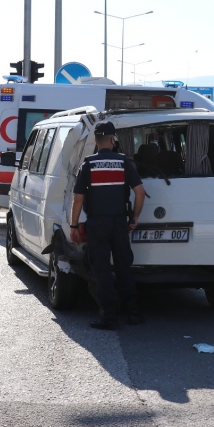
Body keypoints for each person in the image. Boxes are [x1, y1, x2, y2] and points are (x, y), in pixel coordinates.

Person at [69, 121, 146, 330]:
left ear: (96, 140)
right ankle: (133, 313)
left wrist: (73, 225)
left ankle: (109, 317)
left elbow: (78, 199)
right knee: (124, 267)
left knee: (102, 270)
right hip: (120, 222)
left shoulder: (88, 164)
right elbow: (140, 192)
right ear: (113, 140)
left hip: (97, 223)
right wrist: (134, 218)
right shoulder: (124, 163)